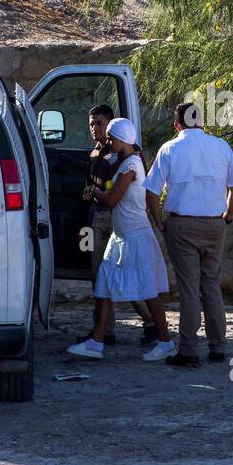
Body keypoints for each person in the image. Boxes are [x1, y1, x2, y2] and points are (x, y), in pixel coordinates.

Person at [144, 102, 233, 367]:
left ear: (177, 125)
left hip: (182, 225)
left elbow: (152, 191)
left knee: (189, 289)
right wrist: (227, 216)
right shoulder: (221, 146)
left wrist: (160, 224)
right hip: (215, 225)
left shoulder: (169, 148)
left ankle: (188, 350)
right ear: (201, 122)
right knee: (211, 285)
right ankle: (218, 347)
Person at [67, 118, 179, 362]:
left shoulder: (130, 166)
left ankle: (165, 340)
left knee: (149, 292)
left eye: (111, 137)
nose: (108, 141)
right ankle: (97, 342)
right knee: (105, 286)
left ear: (122, 139)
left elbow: (111, 200)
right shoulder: (126, 162)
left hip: (134, 237)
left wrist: (95, 192)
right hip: (122, 236)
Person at [84, 104, 155, 346]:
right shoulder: (96, 152)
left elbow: (116, 190)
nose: (95, 128)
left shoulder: (126, 155)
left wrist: (98, 191)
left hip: (118, 218)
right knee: (100, 277)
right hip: (98, 216)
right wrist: (91, 191)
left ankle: (152, 324)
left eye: (100, 123)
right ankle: (104, 331)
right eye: (92, 123)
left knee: (126, 275)